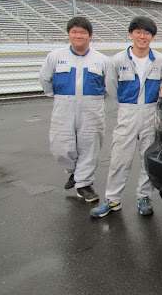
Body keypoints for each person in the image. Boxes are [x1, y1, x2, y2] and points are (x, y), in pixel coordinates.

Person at [90, 16, 162, 218]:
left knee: (147, 157)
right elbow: (111, 86)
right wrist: (125, 106)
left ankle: (144, 197)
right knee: (120, 159)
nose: (142, 36)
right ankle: (113, 199)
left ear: (152, 37)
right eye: (138, 32)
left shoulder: (160, 60)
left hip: (151, 113)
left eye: (147, 33)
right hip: (127, 114)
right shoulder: (118, 60)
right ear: (131, 34)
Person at [39, 16, 109, 202]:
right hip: (64, 107)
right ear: (69, 34)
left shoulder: (101, 60)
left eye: (83, 32)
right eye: (74, 32)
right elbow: (45, 79)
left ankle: (84, 184)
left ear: (90, 36)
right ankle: (74, 172)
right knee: (61, 147)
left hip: (92, 108)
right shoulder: (55, 57)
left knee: (90, 146)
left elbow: (108, 86)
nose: (78, 36)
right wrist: (56, 96)